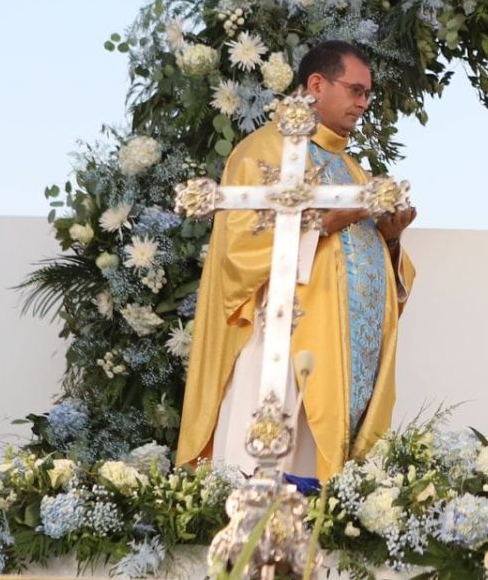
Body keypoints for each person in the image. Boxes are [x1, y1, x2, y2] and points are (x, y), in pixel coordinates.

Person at [176, 41, 416, 480]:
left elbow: (361, 253)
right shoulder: (264, 151)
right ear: (317, 85)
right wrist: (322, 223)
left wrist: (391, 238)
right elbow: (240, 252)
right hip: (281, 344)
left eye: (367, 94)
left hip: (341, 354)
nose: (363, 103)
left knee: (319, 491)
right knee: (269, 472)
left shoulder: (351, 168)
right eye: (356, 90)